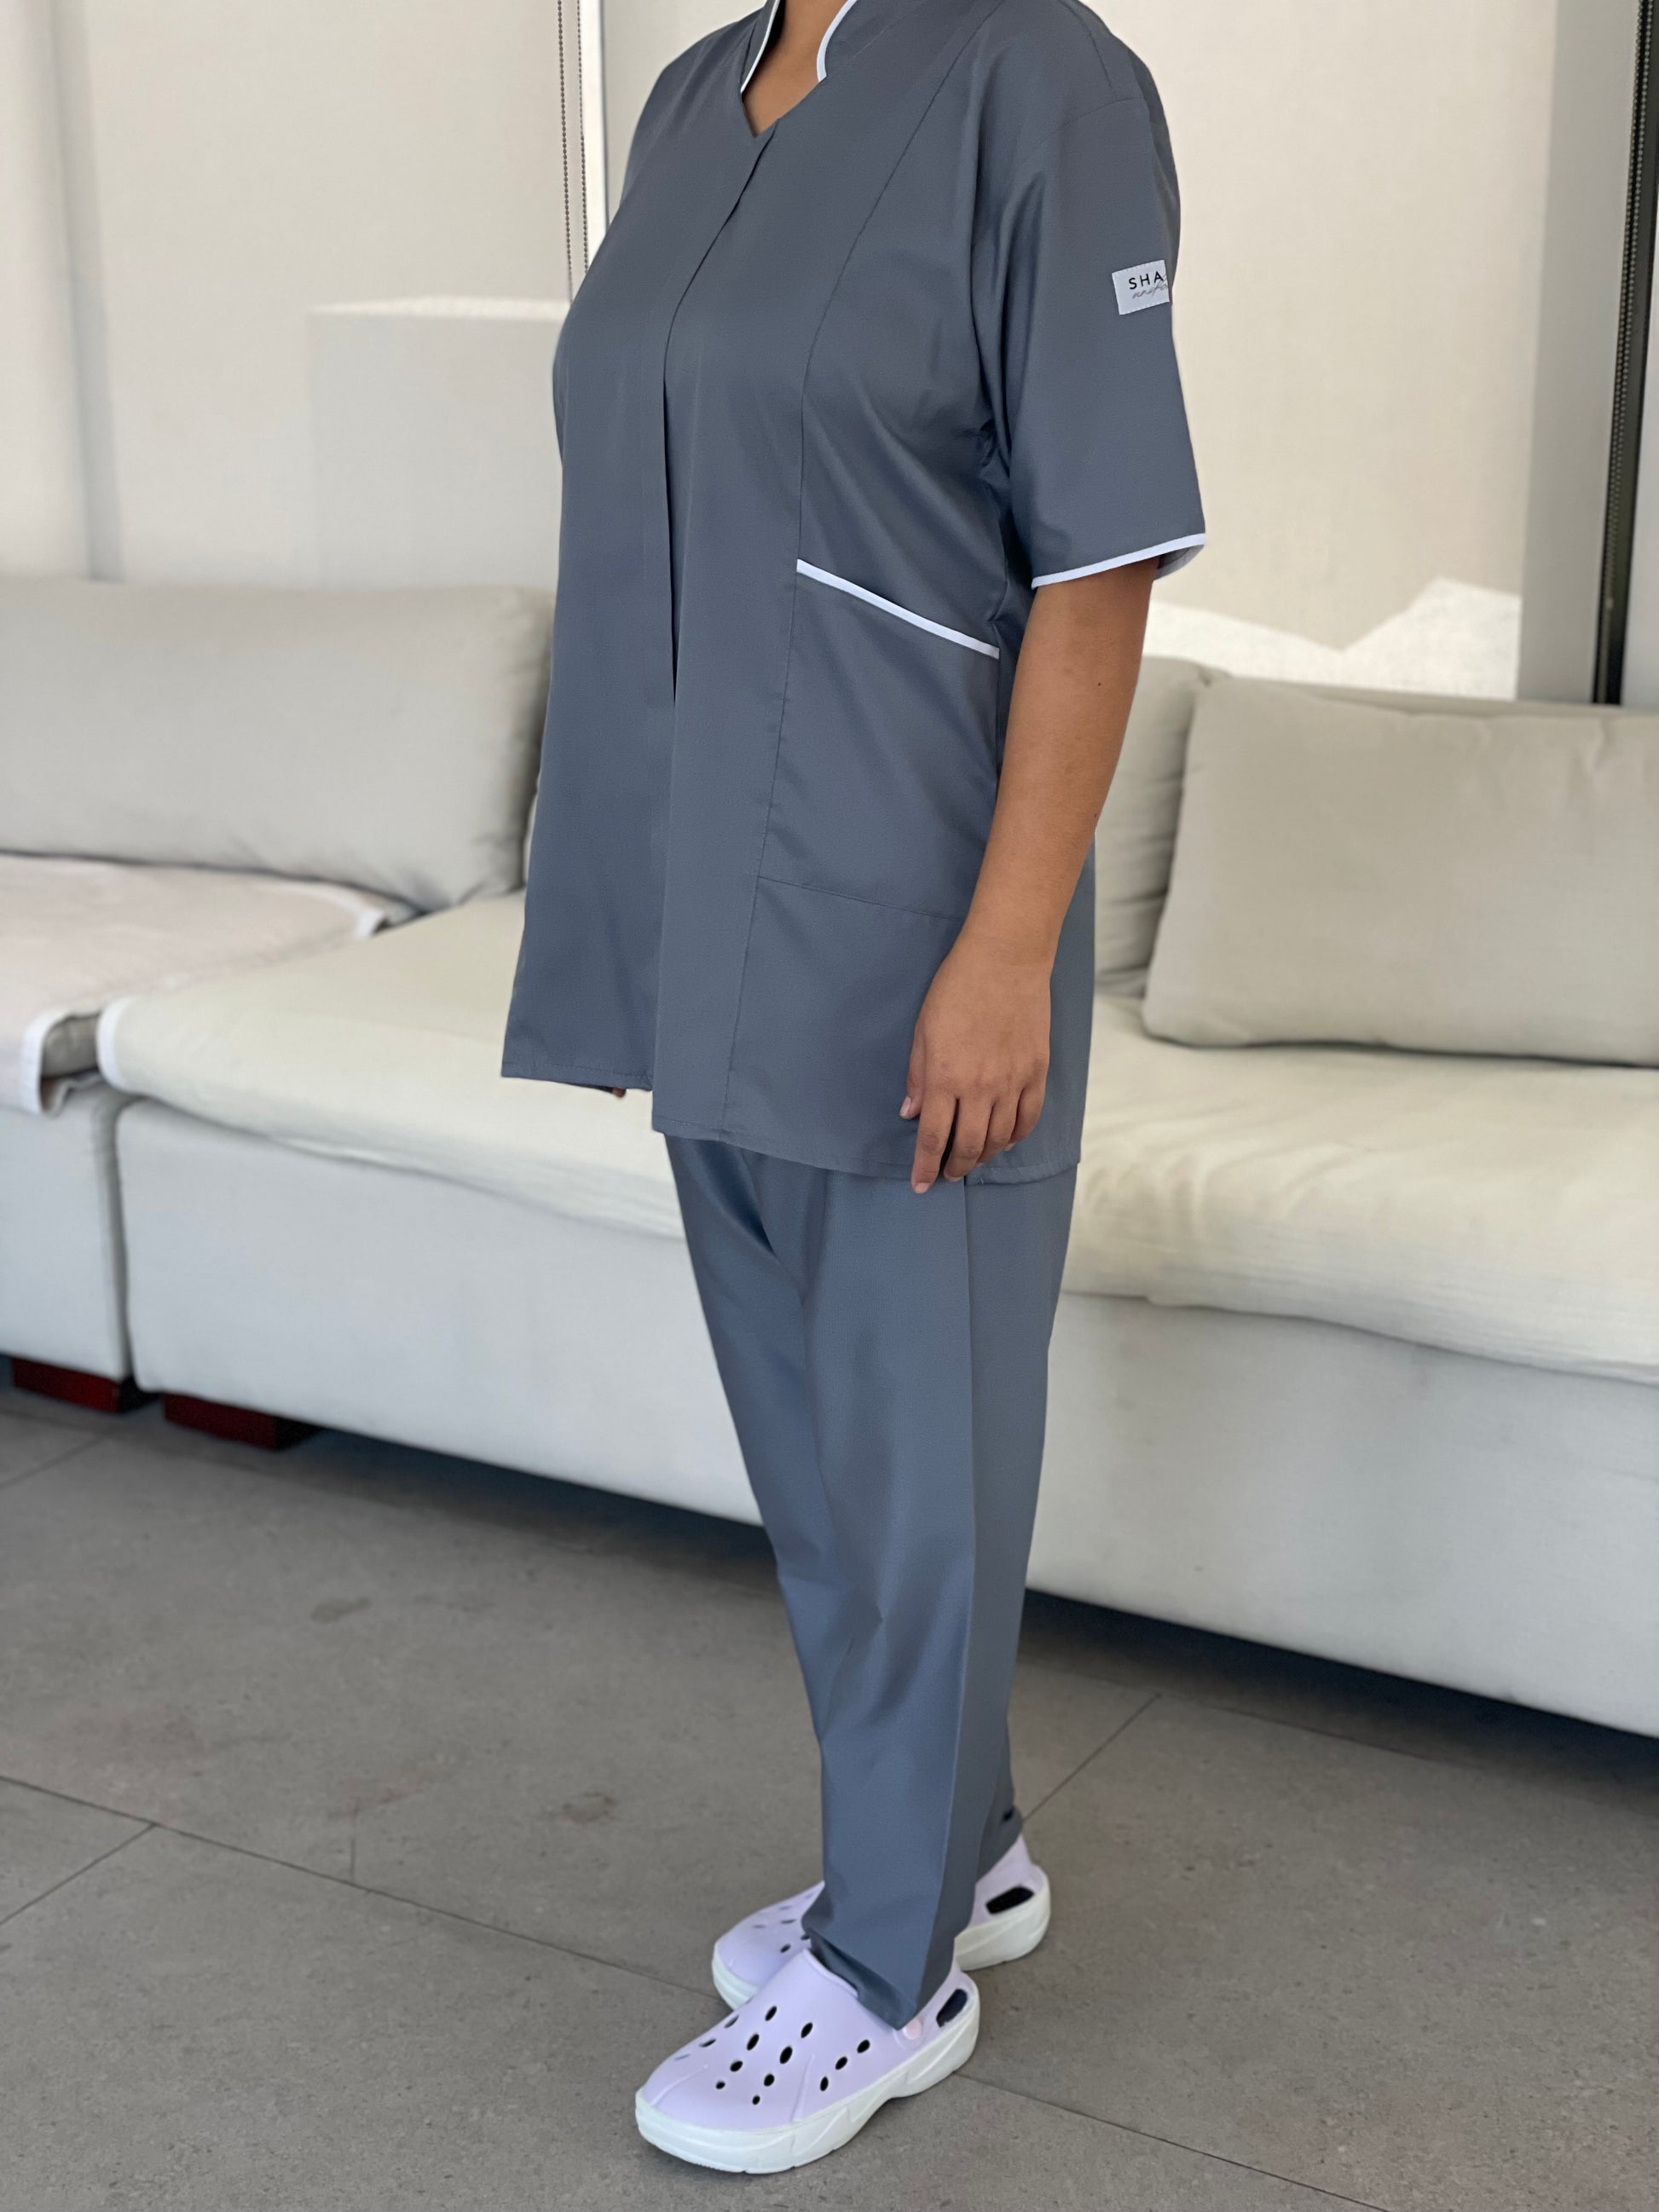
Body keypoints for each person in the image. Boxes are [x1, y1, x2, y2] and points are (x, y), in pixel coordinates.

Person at [502, 0, 1202, 2173]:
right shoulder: (692, 93)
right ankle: (958, 1845)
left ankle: (888, 1968)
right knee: (816, 1450)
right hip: (695, 894)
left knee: (919, 1471)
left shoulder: (1039, 84)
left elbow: (1100, 555)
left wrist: (1006, 950)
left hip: (910, 909)